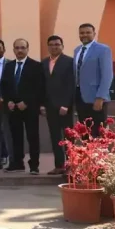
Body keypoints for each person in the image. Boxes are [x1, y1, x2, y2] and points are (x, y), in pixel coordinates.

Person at [0, 38, 44, 174]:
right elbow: (4, 86)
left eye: (22, 47)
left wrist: (26, 102)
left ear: (27, 49)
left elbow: (39, 88)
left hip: (29, 108)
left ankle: (34, 165)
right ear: (13, 50)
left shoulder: (36, 66)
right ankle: (17, 163)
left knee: (32, 137)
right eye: (17, 48)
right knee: (16, 136)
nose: (20, 50)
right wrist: (9, 101)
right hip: (13, 109)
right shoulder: (8, 66)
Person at [43, 35, 76, 174]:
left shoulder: (69, 62)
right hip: (49, 106)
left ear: (62, 46)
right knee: (55, 136)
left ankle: (71, 165)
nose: (54, 47)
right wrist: (42, 104)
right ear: (48, 47)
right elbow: (42, 86)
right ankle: (59, 165)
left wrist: (66, 104)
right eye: (51, 45)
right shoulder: (44, 63)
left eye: (57, 44)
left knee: (68, 136)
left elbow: (71, 84)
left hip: (64, 106)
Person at [73, 23, 113, 136]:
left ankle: (97, 154)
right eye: (82, 33)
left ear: (94, 34)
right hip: (80, 97)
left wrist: (100, 97)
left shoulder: (103, 49)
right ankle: (86, 153)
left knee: (98, 133)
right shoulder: (77, 50)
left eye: (88, 32)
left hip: (96, 98)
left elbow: (107, 75)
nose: (84, 35)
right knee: (84, 132)